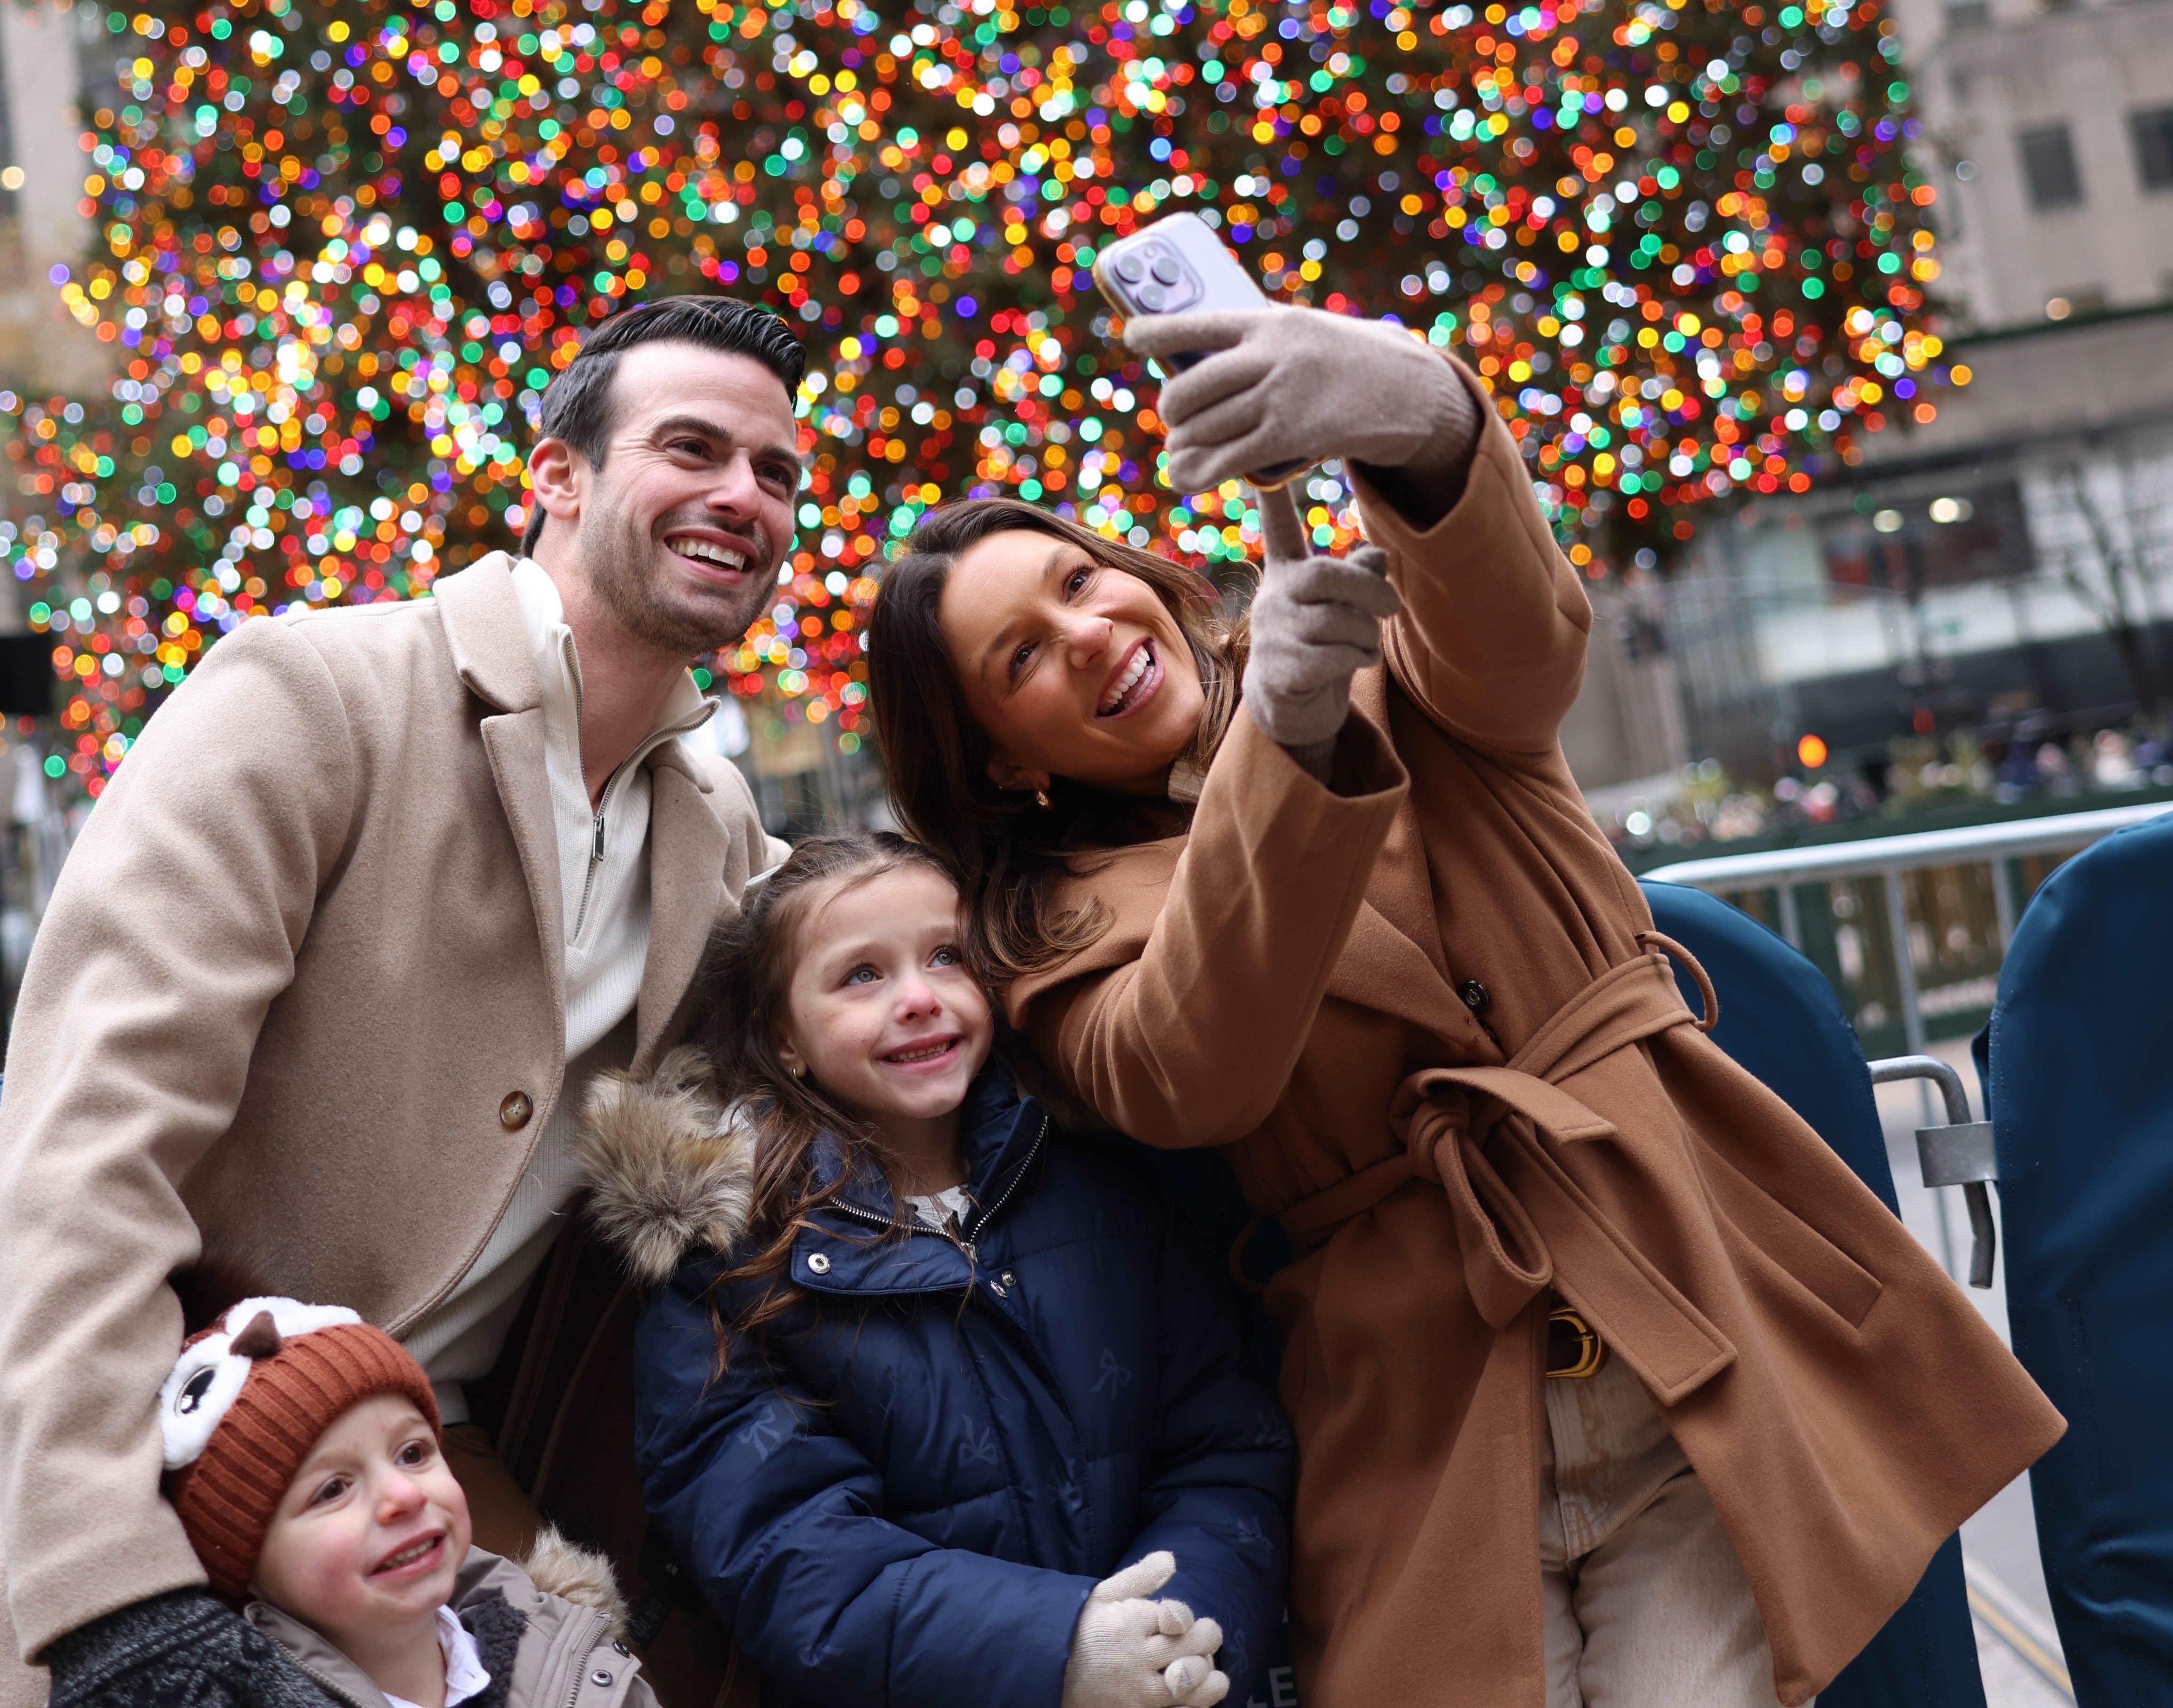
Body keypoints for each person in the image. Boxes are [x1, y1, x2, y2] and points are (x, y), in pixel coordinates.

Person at [861, 305, 2064, 1708]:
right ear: (1003, 765)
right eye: (1019, 655)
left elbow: (1519, 640)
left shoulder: (1380, 663)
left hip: (1679, 1313)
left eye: (1078, 580)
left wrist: (1420, 414)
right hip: (1427, 1425)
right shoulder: (1045, 936)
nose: (1087, 632)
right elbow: (1194, 1059)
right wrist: (1281, 742)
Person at [0, 296, 800, 1708]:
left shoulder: (715, 821)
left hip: (443, 1510)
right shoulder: (307, 694)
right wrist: (122, 1602)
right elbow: (83, 1161)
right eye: (694, 447)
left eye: (778, 471)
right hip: (146, 1481)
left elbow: (919, 958)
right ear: (557, 474)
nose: (745, 493)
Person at [577, 833, 1292, 1708]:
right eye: (861, 975)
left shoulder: (1100, 1186)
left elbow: (1224, 1445)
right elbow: (790, 1554)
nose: (918, 997)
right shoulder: (731, 1272)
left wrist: (1179, 1633)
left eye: (945, 956)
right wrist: (1055, 1648)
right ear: (783, 1036)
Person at [103, 1294, 656, 1708]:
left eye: (413, 1453)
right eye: (333, 1489)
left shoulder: (570, 1653)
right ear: (247, 1567)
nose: (404, 1494)